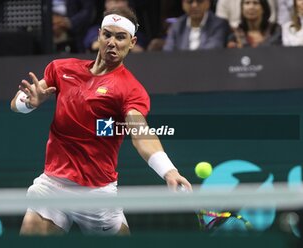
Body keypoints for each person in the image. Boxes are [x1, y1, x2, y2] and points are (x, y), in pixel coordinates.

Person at [11, 7, 192, 236]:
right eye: (107, 34)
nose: (112, 42)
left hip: (96, 193)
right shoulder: (62, 69)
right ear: (98, 35)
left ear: (132, 42)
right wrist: (28, 103)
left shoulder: (130, 89)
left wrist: (169, 172)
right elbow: (15, 104)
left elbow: (141, 134)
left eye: (120, 37)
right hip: (52, 185)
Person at [163, 0, 231, 51]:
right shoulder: (176, 26)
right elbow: (168, 51)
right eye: (190, 2)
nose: (194, 5)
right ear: (183, 4)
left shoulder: (219, 24)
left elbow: (212, 50)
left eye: (199, 1)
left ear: (208, 3)